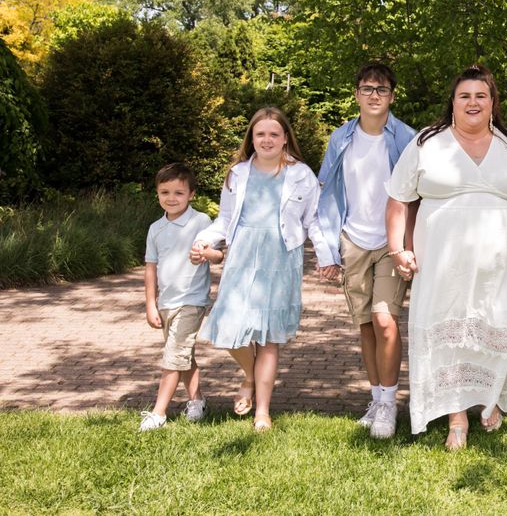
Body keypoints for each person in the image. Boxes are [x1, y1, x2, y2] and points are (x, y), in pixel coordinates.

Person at [385, 64, 507, 451]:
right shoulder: (427, 142)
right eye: (464, 95)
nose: (472, 102)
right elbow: (398, 199)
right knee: (449, 326)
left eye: (481, 95)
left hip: (500, 262)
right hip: (442, 259)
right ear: (453, 102)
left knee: (496, 321)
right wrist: (398, 248)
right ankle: (456, 416)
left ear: (493, 102)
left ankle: (491, 396)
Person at [190, 106, 336, 432]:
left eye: (274, 134)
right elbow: (225, 220)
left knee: (269, 338)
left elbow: (313, 220)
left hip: (281, 259)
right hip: (242, 257)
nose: (267, 140)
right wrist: (203, 240)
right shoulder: (237, 173)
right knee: (229, 328)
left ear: (285, 138)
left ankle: (263, 412)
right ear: (251, 138)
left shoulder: (302, 175)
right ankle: (249, 377)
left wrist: (326, 256)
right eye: (260, 134)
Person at [316, 62, 416, 440]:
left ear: (392, 95)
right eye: (367, 88)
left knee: (385, 321)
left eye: (382, 89)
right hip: (353, 240)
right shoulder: (340, 138)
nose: (374, 95)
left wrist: (409, 245)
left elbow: (417, 195)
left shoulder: (407, 138)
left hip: (392, 243)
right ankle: (375, 400)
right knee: (366, 325)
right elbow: (327, 193)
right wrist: (329, 249)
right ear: (356, 94)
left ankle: (389, 405)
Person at [139, 163, 222, 432]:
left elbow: (218, 256)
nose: (171, 198)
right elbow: (150, 268)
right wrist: (150, 304)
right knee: (183, 354)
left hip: (192, 300)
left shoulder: (201, 222)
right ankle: (197, 401)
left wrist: (206, 254)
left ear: (191, 194)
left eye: (179, 192)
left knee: (173, 355)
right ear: (157, 193)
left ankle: (158, 413)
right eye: (165, 192)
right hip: (166, 302)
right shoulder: (155, 228)